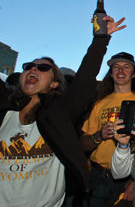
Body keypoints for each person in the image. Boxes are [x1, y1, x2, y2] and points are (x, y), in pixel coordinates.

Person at [0, 15, 126, 206]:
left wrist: (101, 39)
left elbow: (85, 77)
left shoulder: (60, 112)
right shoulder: (4, 111)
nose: (34, 69)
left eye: (43, 68)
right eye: (29, 66)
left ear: (54, 83)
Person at [80, 52, 135, 206]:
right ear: (111, 74)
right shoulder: (99, 103)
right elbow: (83, 143)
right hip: (98, 176)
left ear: (133, 74)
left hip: (130, 178)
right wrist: (99, 136)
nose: (120, 71)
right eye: (116, 67)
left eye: (126, 67)